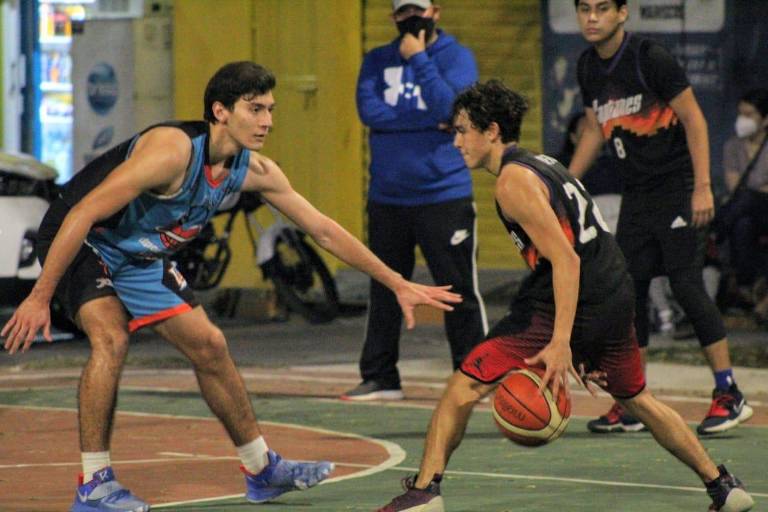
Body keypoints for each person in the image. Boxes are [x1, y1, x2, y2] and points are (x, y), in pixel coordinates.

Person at [1, 61, 462, 512]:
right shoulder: (172, 152)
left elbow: (322, 229)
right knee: (111, 337)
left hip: (139, 252)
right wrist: (40, 296)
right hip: (85, 239)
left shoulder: (253, 170)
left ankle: (262, 469)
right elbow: (82, 212)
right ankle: (94, 486)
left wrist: (396, 281)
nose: (267, 121)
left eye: (270, 110)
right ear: (220, 111)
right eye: (255, 109)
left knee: (210, 345)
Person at [375, 79, 754, 512]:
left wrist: (561, 342)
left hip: (571, 297)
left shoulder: (512, 183)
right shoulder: (545, 164)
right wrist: (582, 338)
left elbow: (566, 261)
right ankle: (722, 485)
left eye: (462, 130)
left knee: (463, 386)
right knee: (636, 397)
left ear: (492, 131)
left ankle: (425, 492)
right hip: (614, 290)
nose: (456, 141)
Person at [568, 0, 752, 435]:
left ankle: (729, 393)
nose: (591, 18)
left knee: (686, 285)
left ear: (622, 13)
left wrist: (702, 185)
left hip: (677, 187)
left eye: (601, 9)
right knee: (629, 294)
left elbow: (694, 119)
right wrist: (564, 180)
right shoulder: (587, 67)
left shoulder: (649, 57)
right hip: (638, 194)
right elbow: (595, 129)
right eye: (583, 9)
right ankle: (634, 402)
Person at [341, 0, 487, 401]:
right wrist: (432, 121)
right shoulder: (376, 60)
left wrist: (421, 60)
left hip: (444, 195)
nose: (411, 20)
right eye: (403, 13)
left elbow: (453, 109)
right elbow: (369, 112)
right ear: (393, 18)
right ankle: (381, 376)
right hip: (387, 197)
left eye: (418, 11)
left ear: (436, 13)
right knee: (385, 287)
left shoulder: (457, 58)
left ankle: (474, 374)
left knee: (458, 290)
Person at [720, 88, 768, 320]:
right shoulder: (733, 147)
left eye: (749, 115)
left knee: (747, 201)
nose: (743, 120)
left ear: (765, 119)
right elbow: (733, 186)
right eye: (741, 114)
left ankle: (715, 230)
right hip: (745, 211)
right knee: (743, 224)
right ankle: (746, 282)